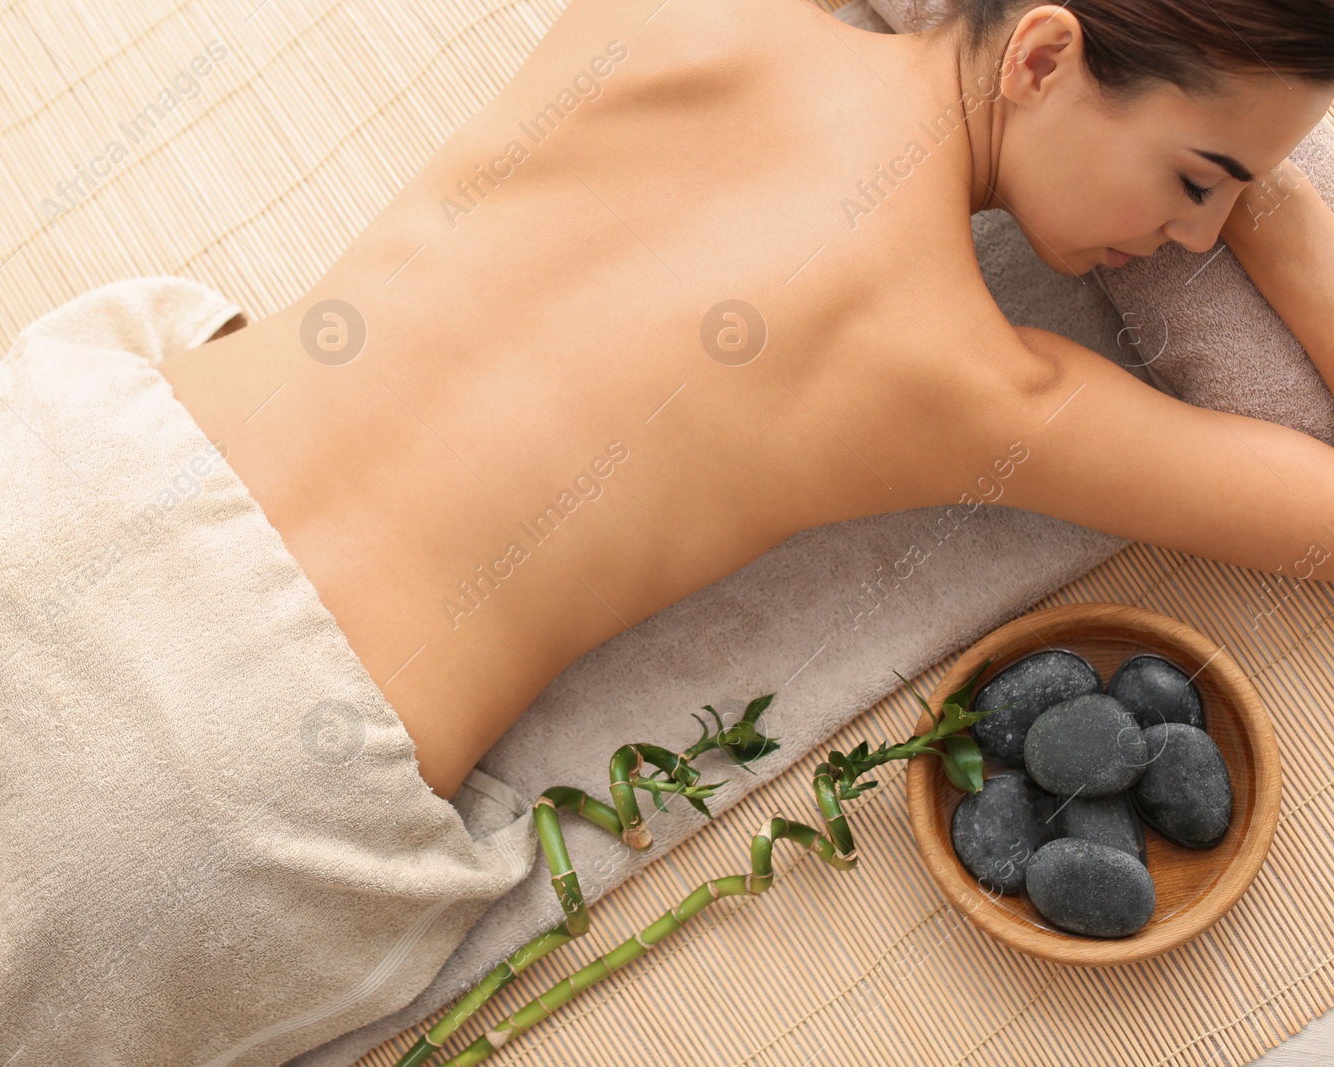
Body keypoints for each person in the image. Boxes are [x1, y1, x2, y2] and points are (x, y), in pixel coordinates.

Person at [156, 0, 1334, 803]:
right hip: (270, 761)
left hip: (102, 467)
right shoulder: (973, 387)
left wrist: (1239, 154)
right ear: (1037, 57)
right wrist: (1284, 219)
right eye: (1199, 181)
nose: (1198, 237)